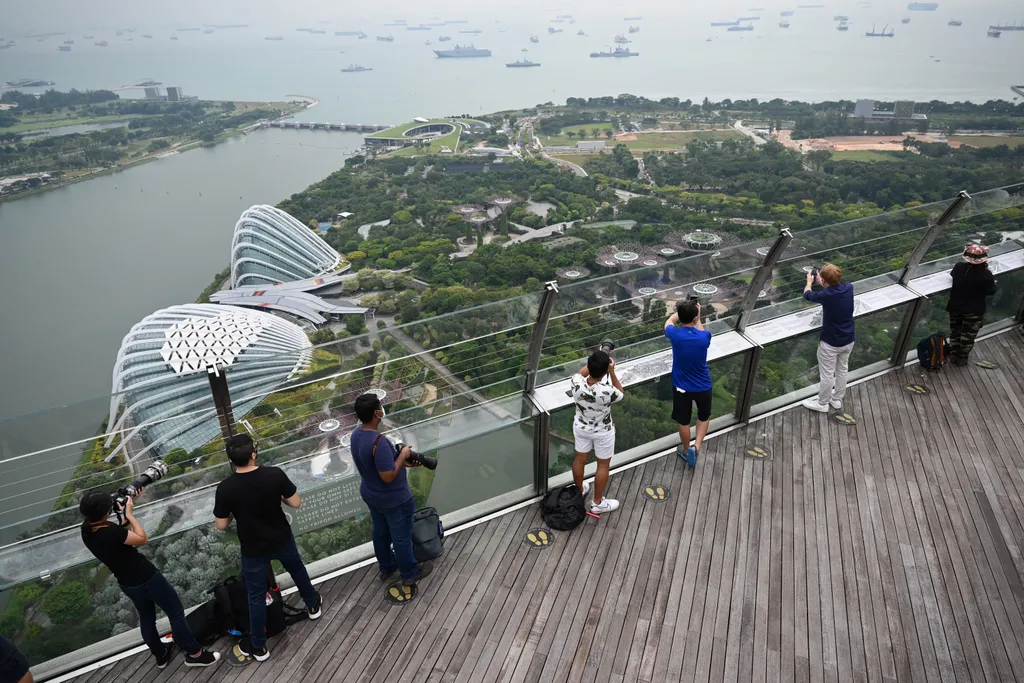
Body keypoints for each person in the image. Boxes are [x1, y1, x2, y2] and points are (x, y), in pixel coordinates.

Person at [214, 434, 323, 662]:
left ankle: (259, 647)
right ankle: (313, 607)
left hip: (253, 548)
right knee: (297, 571)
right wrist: (279, 498)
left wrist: (236, 510)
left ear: (232, 460)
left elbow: (221, 524)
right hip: (281, 537)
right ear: (253, 454)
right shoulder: (274, 474)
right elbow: (295, 502)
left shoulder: (225, 488)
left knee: (255, 596)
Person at [79, 492, 219, 669]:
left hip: (127, 583)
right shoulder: (109, 532)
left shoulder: (87, 531)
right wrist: (130, 514)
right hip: (147, 577)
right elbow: (141, 539)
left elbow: (121, 539)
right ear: (105, 512)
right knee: (175, 613)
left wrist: (124, 518)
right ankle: (195, 654)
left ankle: (161, 655)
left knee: (146, 619)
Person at [351, 393, 432, 587]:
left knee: (380, 532)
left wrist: (400, 462)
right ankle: (409, 572)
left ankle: (387, 567)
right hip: (394, 499)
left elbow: (375, 466)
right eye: (380, 407)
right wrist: (403, 454)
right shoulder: (379, 442)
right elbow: (387, 475)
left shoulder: (356, 435)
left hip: (372, 494)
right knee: (401, 538)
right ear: (376, 413)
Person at [569, 350, 625, 514]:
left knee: (580, 460)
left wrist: (598, 357)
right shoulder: (607, 391)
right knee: (602, 465)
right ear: (605, 371)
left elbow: (582, 372)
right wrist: (612, 372)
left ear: (589, 365)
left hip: (581, 427)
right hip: (603, 431)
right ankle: (597, 503)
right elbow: (621, 394)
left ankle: (579, 491)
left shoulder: (576, 382)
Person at [665, 300, 712, 467]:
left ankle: (686, 450)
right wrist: (697, 316)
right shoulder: (704, 337)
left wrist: (680, 312)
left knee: (684, 422)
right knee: (703, 416)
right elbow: (700, 330)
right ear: (694, 318)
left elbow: (669, 321)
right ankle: (697, 446)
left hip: (681, 387)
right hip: (703, 386)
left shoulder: (675, 335)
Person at [802, 264, 855, 412]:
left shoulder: (825, 295)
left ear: (824, 281)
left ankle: (822, 403)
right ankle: (837, 399)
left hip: (831, 342)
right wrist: (824, 281)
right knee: (842, 370)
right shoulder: (849, 287)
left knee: (826, 375)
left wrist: (809, 282)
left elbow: (807, 294)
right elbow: (833, 289)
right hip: (848, 338)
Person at [947, 243, 998, 365]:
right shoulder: (986, 275)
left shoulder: (959, 267)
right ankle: (962, 358)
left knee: (955, 331)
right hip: (974, 310)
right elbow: (991, 290)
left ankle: (953, 353)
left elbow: (953, 275)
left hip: (956, 307)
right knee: (968, 335)